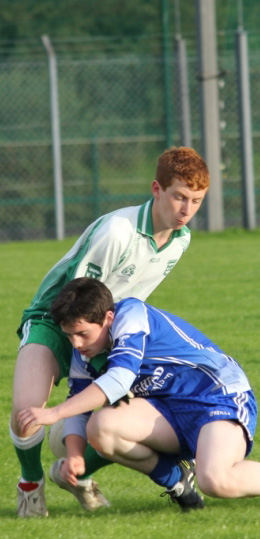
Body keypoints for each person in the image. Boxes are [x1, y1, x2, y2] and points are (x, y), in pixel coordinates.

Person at [18, 278, 260, 511]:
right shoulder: (84, 350)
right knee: (100, 427)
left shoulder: (132, 314)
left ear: (108, 318)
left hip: (215, 397)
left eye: (81, 333)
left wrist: (53, 413)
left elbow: (120, 379)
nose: (76, 344)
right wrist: (77, 457)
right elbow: (81, 410)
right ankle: (176, 481)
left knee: (217, 480)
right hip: (166, 411)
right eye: (69, 336)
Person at [10, 146, 210, 517]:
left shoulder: (181, 241)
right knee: (26, 413)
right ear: (156, 189)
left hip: (106, 329)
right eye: (179, 197)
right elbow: (75, 298)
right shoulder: (118, 231)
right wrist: (80, 367)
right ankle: (31, 484)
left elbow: (131, 303)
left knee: (129, 414)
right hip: (56, 320)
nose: (186, 209)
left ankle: (79, 473)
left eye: (196, 200)